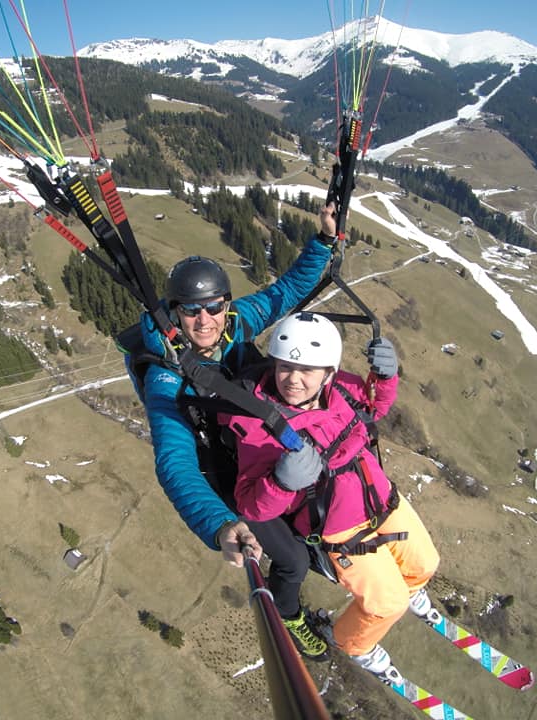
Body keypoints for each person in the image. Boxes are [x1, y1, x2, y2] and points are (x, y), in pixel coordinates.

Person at [132, 204, 339, 658]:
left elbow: (285, 292)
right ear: (174, 313)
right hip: (230, 479)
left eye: (213, 307)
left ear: (226, 305)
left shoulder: (235, 324)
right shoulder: (165, 379)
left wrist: (324, 241)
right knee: (292, 560)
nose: (205, 320)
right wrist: (221, 524)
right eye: (191, 311)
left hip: (259, 451)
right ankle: (290, 615)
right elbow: (175, 464)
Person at [224, 312, 441, 681]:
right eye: (285, 367)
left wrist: (385, 378)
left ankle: (409, 584)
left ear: (328, 373)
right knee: (387, 604)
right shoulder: (258, 424)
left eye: (307, 370)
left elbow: (373, 406)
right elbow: (249, 504)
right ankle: (353, 643)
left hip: (380, 498)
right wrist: (281, 482)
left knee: (425, 565)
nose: (293, 379)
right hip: (341, 530)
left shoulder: (340, 389)